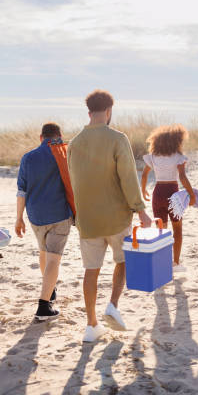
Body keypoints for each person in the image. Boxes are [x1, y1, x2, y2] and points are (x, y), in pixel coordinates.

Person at [68, 89, 152, 342]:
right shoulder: (117, 138)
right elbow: (128, 177)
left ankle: (91, 325)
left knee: (90, 270)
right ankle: (112, 305)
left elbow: (74, 182)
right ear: (108, 111)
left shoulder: (74, 143)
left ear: (89, 112)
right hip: (116, 217)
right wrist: (140, 210)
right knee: (123, 262)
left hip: (88, 220)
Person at [15, 123, 74, 321]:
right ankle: (44, 306)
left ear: (41, 137)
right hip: (58, 214)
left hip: (35, 216)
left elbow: (21, 190)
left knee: (43, 251)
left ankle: (50, 289)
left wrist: (18, 218)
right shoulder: (64, 155)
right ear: (59, 136)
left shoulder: (28, 158)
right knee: (53, 258)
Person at [141, 125, 195, 272]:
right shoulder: (178, 157)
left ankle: (161, 261)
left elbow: (144, 174)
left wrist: (143, 189)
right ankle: (175, 262)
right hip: (172, 193)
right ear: (176, 141)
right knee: (177, 229)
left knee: (161, 229)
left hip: (157, 193)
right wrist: (191, 194)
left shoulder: (153, 156)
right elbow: (182, 177)